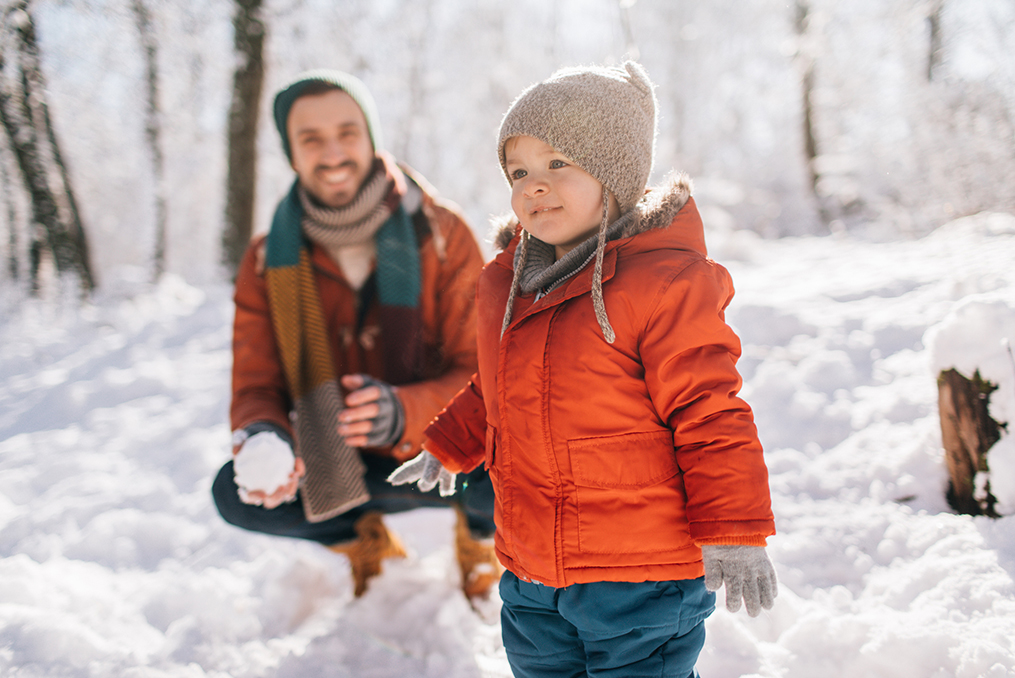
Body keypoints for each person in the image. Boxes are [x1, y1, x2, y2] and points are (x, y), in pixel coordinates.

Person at [390, 62, 777, 676]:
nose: (534, 186)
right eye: (519, 172)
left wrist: (734, 527)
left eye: (558, 164)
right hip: (531, 571)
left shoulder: (664, 282)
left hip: (640, 579)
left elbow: (710, 410)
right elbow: (496, 387)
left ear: (614, 174)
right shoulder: (512, 284)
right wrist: (448, 444)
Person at [213, 69, 498, 599]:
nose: (333, 153)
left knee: (520, 460)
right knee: (234, 494)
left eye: (347, 132)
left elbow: (486, 371)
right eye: (311, 138)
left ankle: (480, 538)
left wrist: (406, 411)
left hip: (444, 451)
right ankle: (361, 538)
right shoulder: (264, 260)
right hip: (340, 461)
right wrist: (264, 436)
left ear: (370, 137)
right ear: (291, 153)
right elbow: (255, 386)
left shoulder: (441, 232)